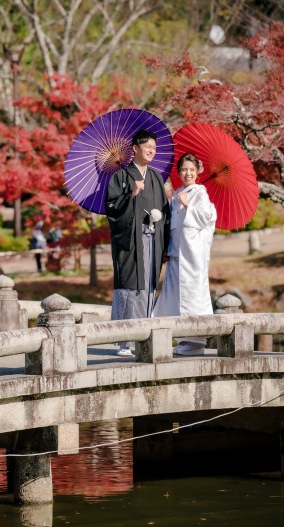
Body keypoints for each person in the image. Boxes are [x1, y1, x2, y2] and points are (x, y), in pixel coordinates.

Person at [105, 129, 170, 356]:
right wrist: (131, 195)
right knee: (130, 286)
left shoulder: (156, 178)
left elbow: (165, 212)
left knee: (148, 287)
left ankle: (143, 337)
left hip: (153, 240)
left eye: (154, 147)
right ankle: (124, 341)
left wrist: (165, 241)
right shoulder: (120, 177)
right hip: (130, 242)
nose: (152, 150)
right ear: (135, 148)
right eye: (147, 146)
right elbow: (111, 208)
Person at [153, 153, 217, 356]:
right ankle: (180, 337)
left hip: (193, 256)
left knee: (193, 294)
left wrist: (189, 204)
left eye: (191, 170)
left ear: (198, 172)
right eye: (184, 169)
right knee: (173, 295)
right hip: (176, 254)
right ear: (179, 172)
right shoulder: (177, 194)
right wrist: (166, 248)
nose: (188, 173)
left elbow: (207, 217)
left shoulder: (200, 193)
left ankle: (196, 341)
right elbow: (173, 226)